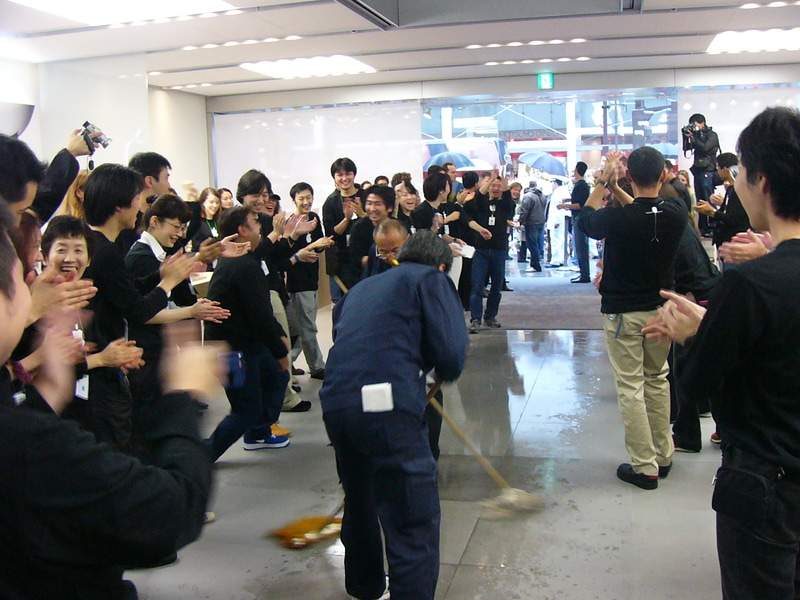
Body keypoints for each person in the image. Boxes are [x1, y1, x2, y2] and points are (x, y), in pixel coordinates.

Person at [0, 199, 216, 600]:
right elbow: (170, 512)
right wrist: (179, 394)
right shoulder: (29, 443)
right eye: (25, 274)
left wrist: (44, 391)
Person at [643, 106, 800, 600]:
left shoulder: (751, 284)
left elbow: (695, 386)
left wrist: (694, 336)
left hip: (765, 482)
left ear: (763, 181)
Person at [319, 230, 468, 600]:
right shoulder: (432, 278)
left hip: (337, 402)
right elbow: (451, 356)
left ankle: (365, 586)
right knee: (411, 518)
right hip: (387, 406)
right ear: (442, 264)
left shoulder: (363, 288)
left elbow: (350, 333)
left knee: (360, 495)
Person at [578, 148, 687, 490]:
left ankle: (645, 466)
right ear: (662, 175)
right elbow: (643, 209)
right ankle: (663, 455)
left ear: (630, 177)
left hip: (624, 313)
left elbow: (585, 219)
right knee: (657, 379)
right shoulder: (675, 211)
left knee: (630, 386)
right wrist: (618, 185)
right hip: (661, 311)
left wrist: (602, 181)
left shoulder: (616, 219)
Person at [82, 163, 200, 453]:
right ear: (119, 203)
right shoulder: (105, 250)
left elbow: (126, 289)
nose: (140, 207)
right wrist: (166, 284)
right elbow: (136, 309)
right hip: (105, 363)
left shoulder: (103, 245)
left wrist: (161, 276)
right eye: (137, 198)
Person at [204, 206, 292, 459]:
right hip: (229, 352)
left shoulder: (246, 260)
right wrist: (278, 349)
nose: (260, 226)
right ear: (242, 230)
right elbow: (259, 315)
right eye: (255, 222)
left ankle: (258, 433)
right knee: (246, 410)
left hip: (246, 344)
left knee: (277, 377)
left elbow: (259, 307)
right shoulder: (241, 266)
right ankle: (203, 456)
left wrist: (277, 340)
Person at [286, 182, 333, 380]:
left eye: (308, 197)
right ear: (294, 201)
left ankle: (286, 364)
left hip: (312, 279)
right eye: (301, 198)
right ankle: (316, 367)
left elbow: (320, 245)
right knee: (307, 327)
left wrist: (321, 244)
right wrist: (313, 244)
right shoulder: (290, 222)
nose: (306, 202)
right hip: (298, 282)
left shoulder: (314, 217)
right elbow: (288, 253)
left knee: (302, 326)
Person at [463, 171, 513, 334]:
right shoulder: (481, 203)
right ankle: (475, 318)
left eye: (498, 186)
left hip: (499, 250)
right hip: (481, 250)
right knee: (477, 285)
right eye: (493, 185)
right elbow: (477, 196)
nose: (495, 188)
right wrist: (491, 179)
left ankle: (490, 316)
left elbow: (507, 196)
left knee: (496, 286)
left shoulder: (505, 205)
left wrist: (502, 179)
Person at [322, 157, 367, 301]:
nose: (344, 178)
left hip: (367, 256)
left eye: (348, 173)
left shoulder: (366, 197)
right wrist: (346, 219)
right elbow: (331, 234)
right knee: (349, 300)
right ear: (334, 177)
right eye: (339, 175)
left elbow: (379, 225)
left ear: (354, 174)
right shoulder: (330, 202)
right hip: (344, 260)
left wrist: (362, 215)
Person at [696, 153, 751, 269]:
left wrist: (712, 211)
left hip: (734, 244)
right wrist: (709, 211)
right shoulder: (731, 190)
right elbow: (725, 213)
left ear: (725, 169)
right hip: (726, 242)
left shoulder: (738, 192)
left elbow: (733, 218)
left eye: (718, 168)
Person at [560, 161, 591, 283]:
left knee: (581, 247)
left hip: (579, 218)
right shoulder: (582, 185)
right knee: (580, 246)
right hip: (580, 218)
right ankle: (584, 273)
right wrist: (568, 200)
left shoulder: (581, 186)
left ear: (577, 170)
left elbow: (579, 205)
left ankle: (584, 274)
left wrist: (565, 206)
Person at [518, 181, 547, 272]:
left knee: (532, 244)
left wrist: (520, 221)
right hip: (541, 221)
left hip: (531, 222)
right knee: (538, 243)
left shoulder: (528, 196)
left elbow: (524, 210)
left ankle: (535, 265)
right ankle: (536, 262)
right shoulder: (542, 196)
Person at [546, 178, 570, 267]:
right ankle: (561, 259)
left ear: (555, 183)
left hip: (558, 220)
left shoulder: (558, 192)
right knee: (561, 240)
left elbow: (558, 207)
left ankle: (556, 260)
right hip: (560, 220)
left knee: (556, 240)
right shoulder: (563, 191)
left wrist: (556, 221)